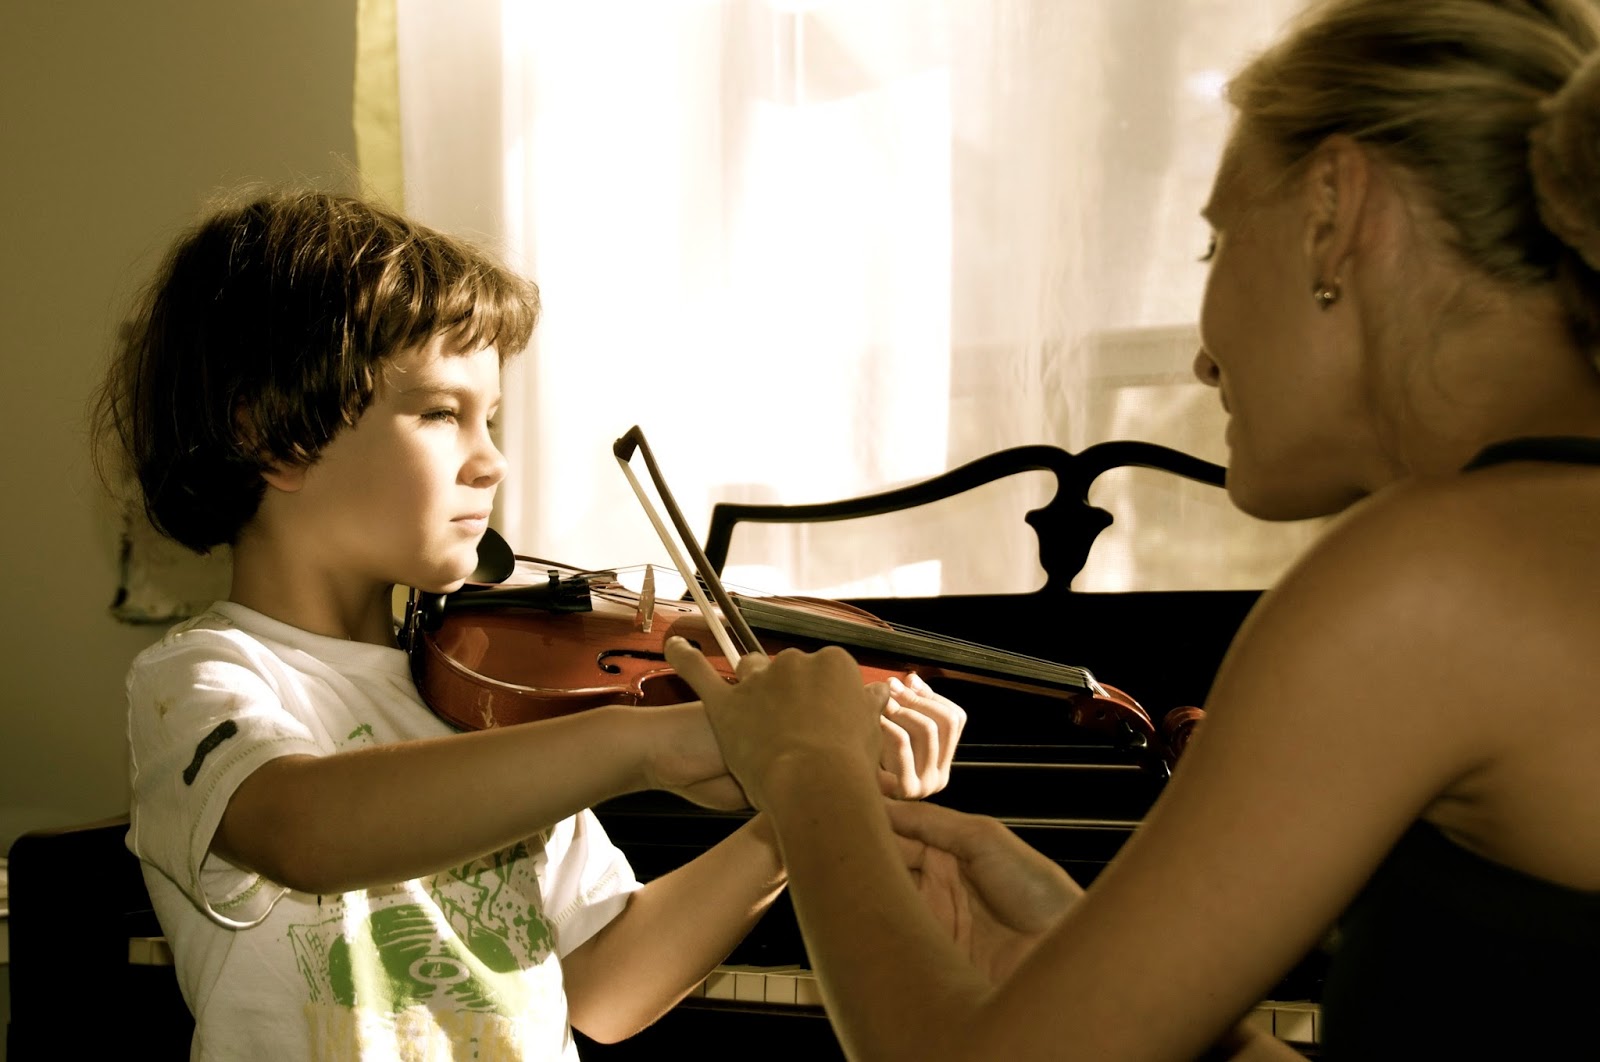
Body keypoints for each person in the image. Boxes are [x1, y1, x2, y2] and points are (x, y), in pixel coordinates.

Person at [663, 0, 1600, 1058]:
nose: (1201, 360)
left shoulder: (1435, 579)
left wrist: (804, 777)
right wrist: (1105, 972)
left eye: (1212, 243)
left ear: (1337, 210)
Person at [89, 189, 966, 1061]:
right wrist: (644, 743)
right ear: (275, 437)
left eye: (493, 419)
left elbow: (607, 987)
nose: (492, 459)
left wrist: (799, 799)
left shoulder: (483, 696)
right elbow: (305, 831)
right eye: (440, 413)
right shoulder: (205, 680)